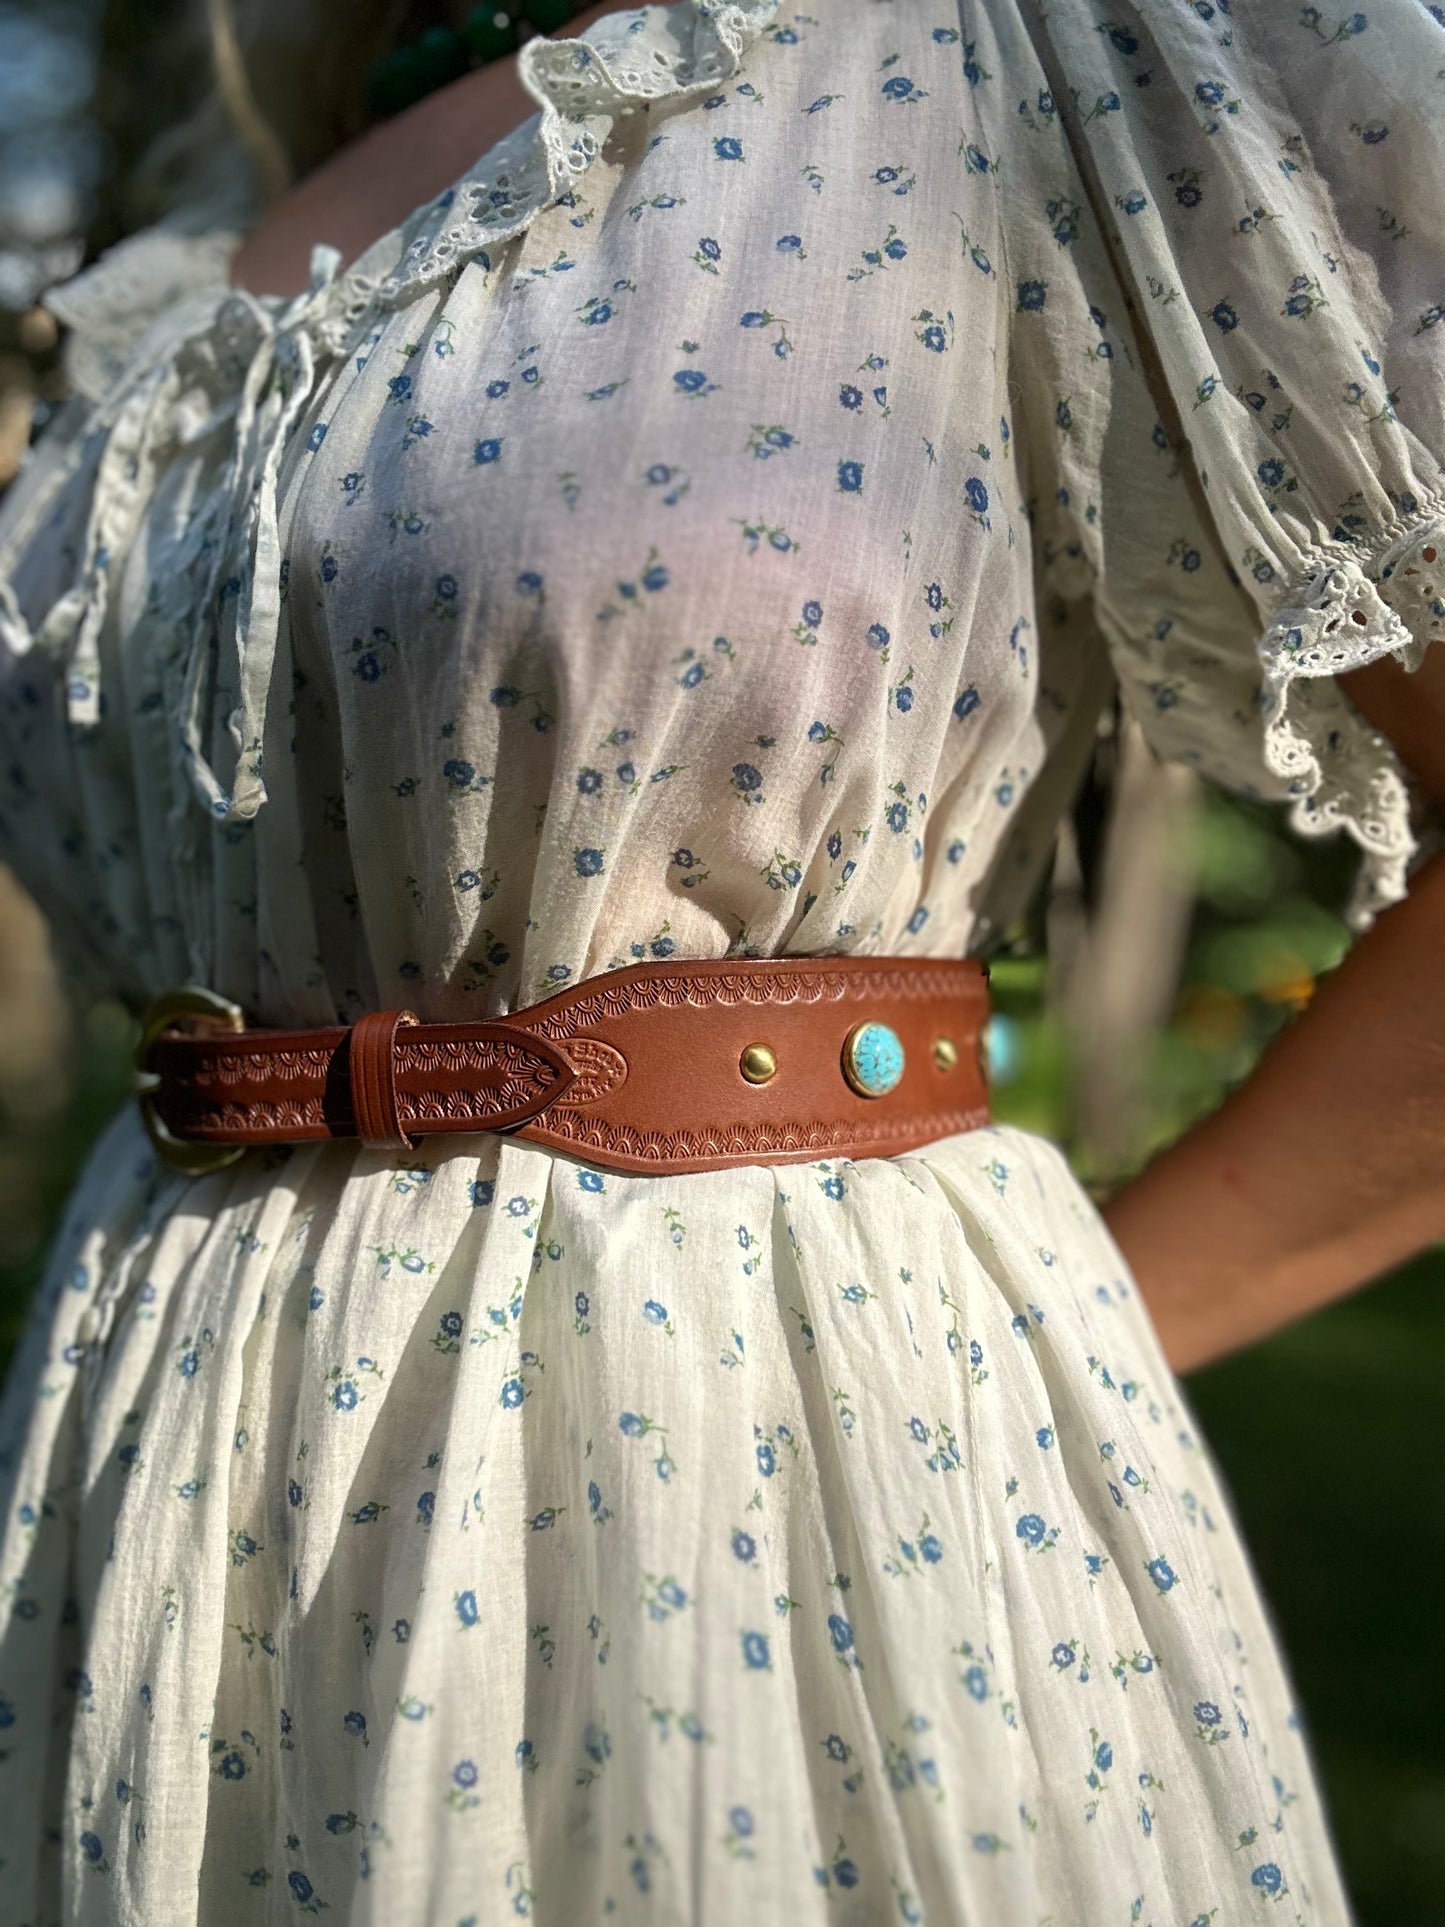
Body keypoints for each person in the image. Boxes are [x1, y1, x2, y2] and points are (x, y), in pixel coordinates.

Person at [0, 0, 1441, 1919]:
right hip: (161, 1469)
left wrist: (1036, 1362)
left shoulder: (1054, 46)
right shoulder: (223, 186)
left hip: (765, 1493)